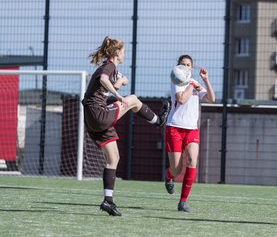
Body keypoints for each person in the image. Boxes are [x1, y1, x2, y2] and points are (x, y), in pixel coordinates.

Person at [82, 36, 170, 216]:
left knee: (113, 158)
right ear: (116, 53)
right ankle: (158, 120)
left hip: (93, 119)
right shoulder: (108, 66)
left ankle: (108, 201)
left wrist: (120, 82)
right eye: (123, 51)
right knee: (132, 99)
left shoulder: (112, 69)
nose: (124, 54)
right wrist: (118, 93)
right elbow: (104, 79)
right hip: (98, 114)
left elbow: (106, 84)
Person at [164, 55, 216, 212]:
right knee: (177, 170)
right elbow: (181, 100)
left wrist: (205, 80)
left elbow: (211, 98)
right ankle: (168, 176)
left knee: (193, 161)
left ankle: (183, 202)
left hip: (192, 129)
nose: (186, 67)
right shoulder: (177, 81)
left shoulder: (195, 82)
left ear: (191, 68)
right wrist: (191, 86)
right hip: (174, 128)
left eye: (188, 65)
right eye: (183, 64)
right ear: (178, 66)